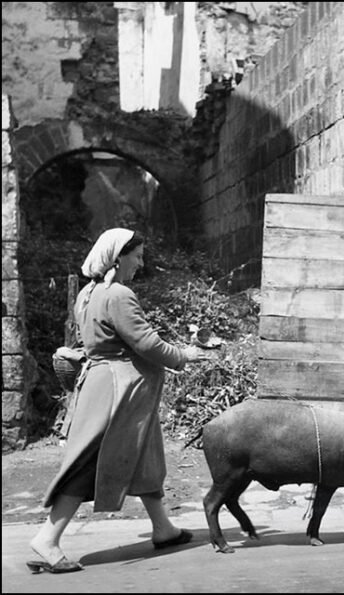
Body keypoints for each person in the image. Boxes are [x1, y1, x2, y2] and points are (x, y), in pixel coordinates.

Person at [28, 229, 210, 573]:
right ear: (117, 258)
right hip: (118, 393)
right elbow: (147, 343)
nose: (140, 263)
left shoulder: (88, 293)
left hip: (111, 387)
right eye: (137, 256)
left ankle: (163, 528)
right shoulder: (119, 294)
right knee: (88, 463)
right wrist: (184, 355)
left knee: (145, 453)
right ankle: (47, 540)